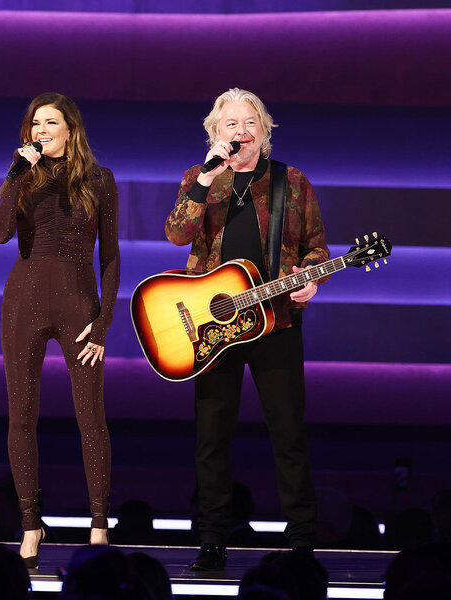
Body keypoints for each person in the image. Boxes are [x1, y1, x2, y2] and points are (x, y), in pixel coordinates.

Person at [165, 88, 329, 570]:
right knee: (212, 436)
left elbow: (316, 247)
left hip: (274, 321)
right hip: (212, 328)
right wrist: (204, 179)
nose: (241, 132)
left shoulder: (290, 181)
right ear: (216, 132)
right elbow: (176, 233)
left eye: (249, 123)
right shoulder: (201, 179)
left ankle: (302, 543)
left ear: (265, 130)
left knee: (288, 434)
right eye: (230, 124)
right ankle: (213, 539)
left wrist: (312, 280)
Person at [0, 93, 120, 567]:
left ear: (71, 130)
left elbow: (110, 256)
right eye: (34, 124)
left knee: (91, 414)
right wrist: (15, 175)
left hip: (79, 304)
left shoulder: (100, 180)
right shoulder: (24, 177)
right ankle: (30, 524)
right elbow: (0, 234)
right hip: (23, 301)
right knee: (21, 415)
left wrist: (104, 320)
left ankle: (99, 523)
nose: (41, 130)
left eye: (51, 123)